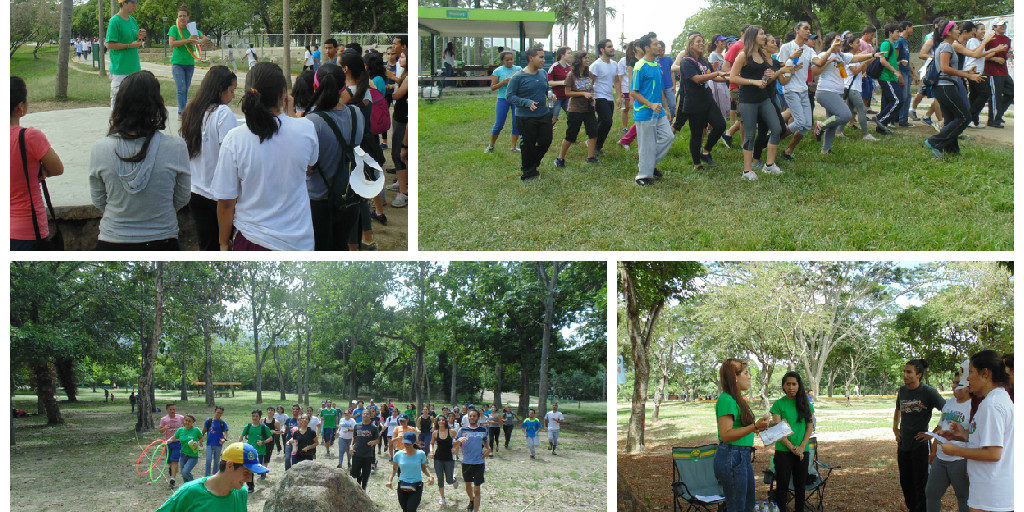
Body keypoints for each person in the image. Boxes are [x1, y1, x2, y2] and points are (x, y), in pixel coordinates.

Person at [212, 62, 318, 251]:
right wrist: (291, 114)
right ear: (284, 94)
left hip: (252, 239)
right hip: (299, 242)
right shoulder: (306, 129)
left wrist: (222, 242)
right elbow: (306, 170)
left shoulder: (235, 140)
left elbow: (226, 203)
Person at [90, 70, 190, 250]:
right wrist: (156, 212)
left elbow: (99, 200)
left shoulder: (100, 148)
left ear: (119, 105)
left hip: (111, 239)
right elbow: (182, 197)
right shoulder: (177, 146)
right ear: (157, 104)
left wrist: (125, 212)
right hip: (163, 239)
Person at [940, 350, 1013, 512]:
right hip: (989, 490)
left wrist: (955, 450)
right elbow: (990, 440)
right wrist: (962, 435)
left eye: (971, 372)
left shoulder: (992, 405)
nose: (967, 378)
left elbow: (993, 453)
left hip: (990, 495)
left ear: (985, 373)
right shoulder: (996, 399)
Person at [180, 65, 237, 251]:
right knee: (225, 245)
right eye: (232, 90)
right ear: (220, 90)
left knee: (206, 245)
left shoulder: (191, 110)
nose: (233, 96)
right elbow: (230, 158)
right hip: (219, 196)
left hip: (195, 191)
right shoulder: (223, 113)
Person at [10, 76, 65, 251]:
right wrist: (43, 171)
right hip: (28, 230)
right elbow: (57, 168)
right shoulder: (29, 137)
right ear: (20, 107)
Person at [731, 26, 788, 179]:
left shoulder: (762, 54)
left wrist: (768, 74)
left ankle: (769, 166)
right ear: (753, 36)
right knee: (750, 134)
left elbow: (765, 75)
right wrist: (754, 82)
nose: (764, 36)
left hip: (764, 99)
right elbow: (733, 77)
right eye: (762, 34)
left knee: (776, 128)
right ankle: (747, 171)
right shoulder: (743, 55)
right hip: (748, 100)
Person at [715, 359, 771, 512]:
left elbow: (741, 428)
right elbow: (725, 435)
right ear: (734, 377)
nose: (749, 377)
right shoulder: (726, 399)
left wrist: (759, 428)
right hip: (732, 456)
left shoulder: (737, 398)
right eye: (746, 373)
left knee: (747, 504)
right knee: (737, 506)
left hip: (741, 456)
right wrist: (753, 426)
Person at [924, 21, 983, 159]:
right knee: (964, 117)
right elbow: (944, 68)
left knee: (951, 120)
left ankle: (952, 150)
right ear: (948, 32)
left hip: (946, 86)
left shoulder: (946, 46)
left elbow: (948, 68)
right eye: (956, 29)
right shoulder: (946, 47)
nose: (959, 31)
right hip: (946, 87)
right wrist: (967, 75)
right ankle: (934, 142)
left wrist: (966, 71)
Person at [917, 361, 970, 512]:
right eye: (953, 382)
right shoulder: (949, 404)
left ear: (968, 386)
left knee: (963, 497)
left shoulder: (974, 406)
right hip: (941, 458)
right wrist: (933, 451)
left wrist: (971, 463)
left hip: (960, 459)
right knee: (932, 493)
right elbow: (940, 427)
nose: (954, 386)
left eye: (958, 383)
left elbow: (974, 437)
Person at [155, 442, 268, 512]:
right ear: (229, 465)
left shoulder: (241, 493)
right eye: (246, 472)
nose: (249, 479)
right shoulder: (190, 492)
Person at [894, 358, 945, 512]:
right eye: (904, 371)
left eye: (909, 372)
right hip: (903, 444)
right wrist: (895, 428)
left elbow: (948, 411)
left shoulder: (928, 392)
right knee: (906, 482)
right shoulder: (902, 391)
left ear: (919, 375)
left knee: (921, 484)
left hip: (920, 446)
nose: (905, 375)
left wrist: (933, 433)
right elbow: (898, 410)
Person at [813, 32, 877, 153]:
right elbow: (816, 70)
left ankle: (825, 150)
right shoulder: (823, 54)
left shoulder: (841, 55)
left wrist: (873, 54)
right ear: (830, 42)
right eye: (837, 40)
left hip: (837, 91)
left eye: (841, 40)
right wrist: (829, 57)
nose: (841, 42)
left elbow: (855, 58)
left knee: (832, 121)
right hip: (826, 91)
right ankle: (821, 125)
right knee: (845, 115)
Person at [673, 33, 728, 171]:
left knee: (720, 125)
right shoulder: (686, 61)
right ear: (691, 45)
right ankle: (697, 164)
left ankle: (706, 151)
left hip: (707, 99)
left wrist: (729, 78)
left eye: (702, 41)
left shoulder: (704, 60)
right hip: (694, 102)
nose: (701, 44)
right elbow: (697, 78)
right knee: (697, 133)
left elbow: (714, 77)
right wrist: (716, 73)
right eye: (698, 42)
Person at [769, 372, 815, 512]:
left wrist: (801, 447)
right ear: (783, 386)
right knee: (782, 487)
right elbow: (778, 429)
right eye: (788, 384)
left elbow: (809, 426)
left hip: (802, 451)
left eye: (794, 384)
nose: (791, 387)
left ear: (799, 385)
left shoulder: (805, 403)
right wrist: (791, 447)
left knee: (800, 487)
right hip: (783, 452)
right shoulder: (778, 404)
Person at [506, 46, 553, 182]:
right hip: (526, 117)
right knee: (528, 145)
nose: (544, 60)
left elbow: (547, 89)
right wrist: (526, 102)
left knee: (546, 141)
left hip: (544, 114)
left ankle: (533, 163)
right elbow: (509, 96)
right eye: (541, 57)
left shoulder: (543, 73)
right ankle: (528, 172)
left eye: (544, 57)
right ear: (531, 58)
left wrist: (551, 97)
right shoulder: (518, 77)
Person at [632, 32, 672, 186]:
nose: (659, 46)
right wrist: (650, 104)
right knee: (646, 145)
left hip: (659, 111)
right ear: (647, 48)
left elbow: (660, 89)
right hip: (645, 111)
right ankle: (642, 176)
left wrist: (666, 108)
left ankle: (648, 165)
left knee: (668, 137)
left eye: (659, 44)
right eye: (655, 44)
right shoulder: (639, 66)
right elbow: (634, 92)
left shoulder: (656, 64)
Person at [777, 21, 816, 160]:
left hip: (803, 90)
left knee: (807, 126)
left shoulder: (809, 49)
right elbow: (779, 65)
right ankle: (774, 137)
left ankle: (787, 151)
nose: (808, 31)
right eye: (805, 29)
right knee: (799, 122)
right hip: (790, 88)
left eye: (809, 29)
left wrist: (831, 52)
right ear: (797, 31)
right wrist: (791, 59)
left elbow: (817, 61)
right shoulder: (786, 47)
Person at [554, 51, 599, 167]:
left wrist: (592, 97)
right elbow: (567, 93)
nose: (587, 59)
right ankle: (560, 158)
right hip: (575, 110)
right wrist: (583, 94)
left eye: (588, 57)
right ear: (579, 60)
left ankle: (590, 157)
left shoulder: (590, 74)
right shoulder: (571, 75)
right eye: (585, 58)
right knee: (571, 135)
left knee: (593, 133)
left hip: (588, 109)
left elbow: (591, 88)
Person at [167, 5, 213, 118]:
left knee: (186, 88)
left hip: (189, 64)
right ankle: (181, 112)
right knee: (181, 88)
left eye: (184, 16)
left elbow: (206, 39)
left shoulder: (192, 29)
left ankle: (184, 110)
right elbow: (171, 43)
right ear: (177, 17)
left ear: (188, 17)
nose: (182, 18)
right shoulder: (174, 28)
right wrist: (188, 40)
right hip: (177, 64)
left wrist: (199, 42)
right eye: (180, 16)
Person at [105, 0, 146, 108]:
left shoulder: (132, 20)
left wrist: (140, 37)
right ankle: (116, 124)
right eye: (132, 2)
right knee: (119, 102)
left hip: (135, 68)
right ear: (123, 3)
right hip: (120, 70)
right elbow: (109, 45)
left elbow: (136, 41)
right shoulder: (114, 21)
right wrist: (129, 45)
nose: (135, 5)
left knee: (135, 102)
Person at [842, 33, 879, 140]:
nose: (860, 45)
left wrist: (870, 58)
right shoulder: (849, 57)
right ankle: (865, 134)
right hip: (852, 88)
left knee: (848, 113)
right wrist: (865, 61)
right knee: (862, 109)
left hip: (854, 88)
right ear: (850, 44)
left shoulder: (855, 57)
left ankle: (838, 131)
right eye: (857, 43)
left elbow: (862, 70)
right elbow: (855, 71)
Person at [485, 51, 522, 153]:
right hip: (503, 99)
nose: (510, 61)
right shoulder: (498, 71)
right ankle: (491, 145)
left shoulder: (518, 69)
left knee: (517, 123)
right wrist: (503, 82)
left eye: (511, 59)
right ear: (502, 61)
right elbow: (492, 87)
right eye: (507, 60)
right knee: (499, 124)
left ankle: (513, 146)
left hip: (516, 98)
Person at [388, 430, 434, 512]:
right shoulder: (398, 454)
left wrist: (430, 476)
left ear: (414, 442)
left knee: (411, 509)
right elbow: (394, 469)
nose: (407, 445)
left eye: (409, 443)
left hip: (416, 486)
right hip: (402, 486)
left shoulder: (421, 454)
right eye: (405, 443)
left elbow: (424, 468)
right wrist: (390, 481)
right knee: (405, 509)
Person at [455, 409, 491, 512]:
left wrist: (488, 449)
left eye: (474, 416)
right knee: (468, 486)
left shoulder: (483, 430)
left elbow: (485, 442)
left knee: (477, 489)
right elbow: (454, 443)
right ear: (468, 418)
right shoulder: (462, 430)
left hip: (479, 463)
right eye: (470, 416)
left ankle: (475, 510)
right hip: (466, 462)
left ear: (478, 418)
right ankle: (471, 500)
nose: (472, 418)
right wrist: (458, 441)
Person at [591, 39, 619, 154]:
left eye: (612, 46)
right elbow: (590, 82)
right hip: (599, 96)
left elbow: (617, 81)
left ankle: (594, 142)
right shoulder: (596, 65)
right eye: (609, 47)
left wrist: (619, 97)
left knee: (602, 122)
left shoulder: (614, 64)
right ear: (602, 50)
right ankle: (596, 146)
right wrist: (592, 98)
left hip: (609, 97)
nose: (612, 48)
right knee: (607, 121)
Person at [874, 23, 903, 134]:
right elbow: (882, 60)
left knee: (890, 101)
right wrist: (895, 71)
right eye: (897, 31)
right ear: (890, 33)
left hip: (891, 77)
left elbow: (889, 61)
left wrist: (898, 65)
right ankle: (881, 120)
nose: (899, 34)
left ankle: (881, 128)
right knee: (897, 100)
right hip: (886, 77)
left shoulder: (892, 45)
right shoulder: (886, 44)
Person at [984, 19, 1012, 128]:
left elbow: (1005, 55)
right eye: (1000, 25)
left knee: (1012, 92)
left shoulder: (1007, 39)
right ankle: (993, 120)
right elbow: (981, 55)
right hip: (993, 71)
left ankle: (998, 114)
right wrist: (995, 58)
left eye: (1004, 24)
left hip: (1004, 71)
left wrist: (1009, 56)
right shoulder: (990, 38)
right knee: (996, 96)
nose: (1003, 26)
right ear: (994, 27)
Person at [240, 410, 273, 490]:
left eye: (256, 416)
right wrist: (237, 446)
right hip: (249, 452)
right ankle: (251, 487)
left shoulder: (263, 427)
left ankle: (262, 471)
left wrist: (263, 442)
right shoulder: (248, 427)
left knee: (257, 469)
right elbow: (241, 437)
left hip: (260, 451)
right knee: (249, 470)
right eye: (253, 416)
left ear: (259, 417)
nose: (254, 418)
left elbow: (271, 438)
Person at [349, 406, 380, 490]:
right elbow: (354, 437)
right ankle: (358, 484)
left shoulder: (374, 427)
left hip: (368, 454)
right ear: (362, 415)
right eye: (364, 414)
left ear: (370, 416)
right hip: (357, 453)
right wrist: (351, 446)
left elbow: (378, 440)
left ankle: (363, 489)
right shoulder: (357, 426)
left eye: (367, 414)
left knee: (366, 474)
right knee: (354, 473)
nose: (365, 415)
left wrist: (374, 442)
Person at [430, 415, 457, 505]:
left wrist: (455, 448)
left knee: (448, 480)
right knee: (440, 478)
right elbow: (432, 443)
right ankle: (442, 498)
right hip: (438, 458)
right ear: (437, 422)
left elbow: (458, 441)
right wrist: (431, 451)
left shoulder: (452, 432)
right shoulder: (435, 433)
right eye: (439, 420)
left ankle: (453, 480)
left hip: (449, 458)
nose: (441, 421)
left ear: (445, 421)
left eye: (442, 420)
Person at [159, 403, 186, 488]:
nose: (173, 411)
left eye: (174, 409)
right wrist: (164, 428)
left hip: (178, 442)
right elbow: (161, 431)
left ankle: (172, 480)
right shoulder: (164, 419)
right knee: (170, 462)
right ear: (167, 410)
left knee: (175, 460)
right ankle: (173, 470)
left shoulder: (180, 418)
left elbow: (186, 426)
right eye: (171, 409)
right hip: (168, 443)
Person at [174, 414, 204, 484]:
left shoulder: (196, 430)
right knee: (183, 474)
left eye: (189, 421)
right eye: (186, 420)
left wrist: (199, 443)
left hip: (193, 456)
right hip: (183, 455)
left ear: (192, 422)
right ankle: (187, 487)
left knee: (185, 472)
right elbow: (174, 437)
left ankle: (194, 484)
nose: (187, 422)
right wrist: (168, 441)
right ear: (183, 421)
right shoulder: (180, 430)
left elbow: (201, 437)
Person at [547, 46, 573, 125]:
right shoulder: (554, 67)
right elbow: (549, 82)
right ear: (562, 55)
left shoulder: (569, 67)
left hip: (566, 96)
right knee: (551, 119)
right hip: (553, 96)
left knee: (572, 115)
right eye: (568, 53)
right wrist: (562, 82)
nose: (570, 55)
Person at [203, 406, 230, 476]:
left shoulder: (222, 422)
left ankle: (215, 475)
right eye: (218, 412)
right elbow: (203, 431)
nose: (219, 414)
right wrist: (199, 439)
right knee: (208, 460)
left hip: (218, 444)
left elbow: (225, 432)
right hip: (209, 444)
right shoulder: (209, 421)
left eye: (221, 413)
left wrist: (224, 439)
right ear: (214, 412)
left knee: (216, 461)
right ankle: (207, 476)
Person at [656, 41, 677, 124]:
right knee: (661, 106)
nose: (661, 52)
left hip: (669, 86)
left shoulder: (669, 59)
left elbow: (672, 72)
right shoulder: (655, 60)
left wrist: (674, 85)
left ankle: (670, 121)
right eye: (660, 50)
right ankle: (662, 122)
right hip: (659, 87)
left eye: (663, 50)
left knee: (672, 105)